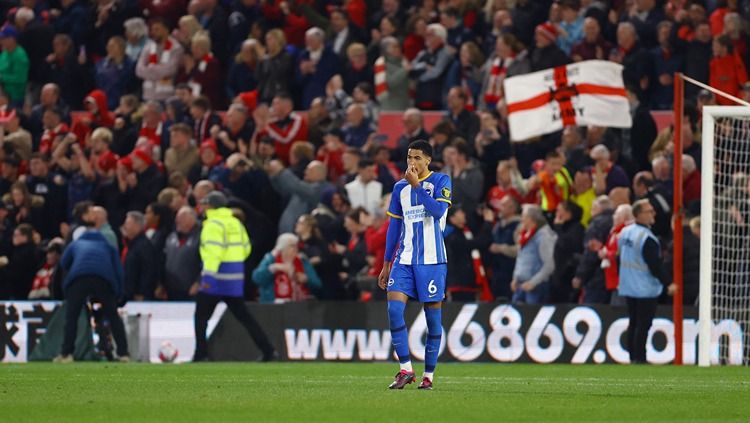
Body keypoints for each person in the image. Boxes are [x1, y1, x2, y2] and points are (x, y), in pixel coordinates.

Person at [378, 140, 451, 390]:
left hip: (432, 261)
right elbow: (394, 227)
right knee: (394, 311)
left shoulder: (441, 182)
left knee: (432, 320)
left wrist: (417, 186)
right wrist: (386, 263)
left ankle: (428, 375)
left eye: (418, 158)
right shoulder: (400, 188)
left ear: (428, 160)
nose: (412, 163)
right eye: (410, 157)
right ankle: (405, 369)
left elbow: (438, 212)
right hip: (405, 260)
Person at [193, 190, 276, 362]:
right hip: (234, 279)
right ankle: (268, 350)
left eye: (205, 204)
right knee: (244, 317)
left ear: (211, 206)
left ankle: (201, 354)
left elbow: (213, 253)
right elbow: (246, 248)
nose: (202, 207)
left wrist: (208, 277)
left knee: (201, 317)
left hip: (215, 278)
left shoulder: (213, 225)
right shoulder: (235, 223)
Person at [54, 228, 128, 363]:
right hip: (103, 280)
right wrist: (119, 293)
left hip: (79, 279)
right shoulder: (108, 247)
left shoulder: (75, 244)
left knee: (72, 317)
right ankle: (123, 353)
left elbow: (64, 262)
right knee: (113, 316)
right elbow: (119, 270)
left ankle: (66, 353)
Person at [618, 199, 667, 364]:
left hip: (628, 285)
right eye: (649, 211)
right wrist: (668, 282)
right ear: (638, 214)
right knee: (643, 324)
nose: (653, 214)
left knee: (633, 323)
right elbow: (655, 265)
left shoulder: (625, 232)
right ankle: (640, 357)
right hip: (645, 287)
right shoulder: (647, 237)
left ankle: (633, 356)